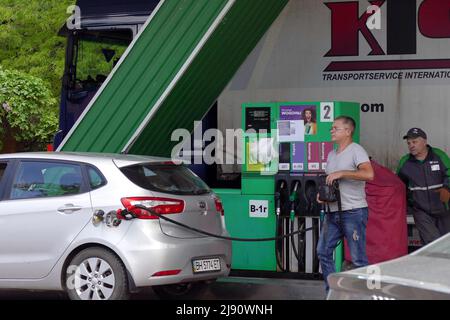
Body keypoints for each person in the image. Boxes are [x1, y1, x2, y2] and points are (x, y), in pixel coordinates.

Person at [316, 116, 374, 293]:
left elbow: (369, 174)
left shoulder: (357, 150)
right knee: (323, 252)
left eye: (336, 128)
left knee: (358, 259)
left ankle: (363, 295)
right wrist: (323, 195)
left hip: (353, 211)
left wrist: (342, 173)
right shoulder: (332, 154)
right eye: (332, 128)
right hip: (333, 212)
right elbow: (332, 182)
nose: (331, 130)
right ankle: (332, 292)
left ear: (348, 131)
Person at [396, 128, 450, 245]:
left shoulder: (439, 155)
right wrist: (408, 202)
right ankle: (434, 264)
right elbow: (399, 185)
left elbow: (449, 173)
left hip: (444, 209)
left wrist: (447, 188)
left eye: (414, 142)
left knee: (446, 243)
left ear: (424, 142)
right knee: (432, 242)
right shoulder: (405, 162)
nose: (411, 145)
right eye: (409, 143)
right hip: (421, 211)